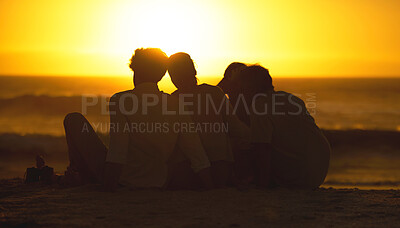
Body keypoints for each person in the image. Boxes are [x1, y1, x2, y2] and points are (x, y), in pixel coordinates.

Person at [63, 48, 213, 191]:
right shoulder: (175, 103)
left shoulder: (121, 100)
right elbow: (195, 151)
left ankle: (77, 172)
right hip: (160, 181)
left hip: (123, 179)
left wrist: (108, 188)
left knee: (73, 119)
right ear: (160, 75)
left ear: (137, 71)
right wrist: (211, 186)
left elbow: (118, 151)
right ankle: (78, 174)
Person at [236, 65, 330, 189]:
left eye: (242, 87)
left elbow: (262, 148)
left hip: (299, 175)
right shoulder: (291, 98)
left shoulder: (260, 105)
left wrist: (262, 186)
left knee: (247, 147)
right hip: (319, 168)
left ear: (250, 87)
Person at [167, 53, 250, 187]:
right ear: (194, 70)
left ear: (172, 77)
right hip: (220, 167)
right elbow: (236, 128)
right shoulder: (214, 93)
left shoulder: (171, 100)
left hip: (185, 172)